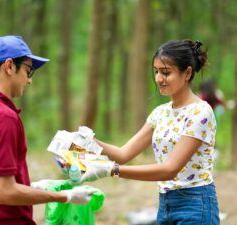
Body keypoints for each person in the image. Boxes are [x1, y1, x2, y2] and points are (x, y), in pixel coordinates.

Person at [0, 35, 96, 225]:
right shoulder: (3, 117)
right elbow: (4, 192)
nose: (29, 80)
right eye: (28, 71)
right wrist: (64, 196)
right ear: (9, 66)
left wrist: (34, 187)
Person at [80, 40, 220, 224]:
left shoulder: (200, 112)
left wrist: (111, 170)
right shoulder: (160, 113)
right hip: (165, 204)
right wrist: (89, 142)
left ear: (187, 73)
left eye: (166, 72)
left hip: (196, 204)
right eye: (156, 71)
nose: (158, 79)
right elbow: (123, 154)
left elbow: (170, 170)